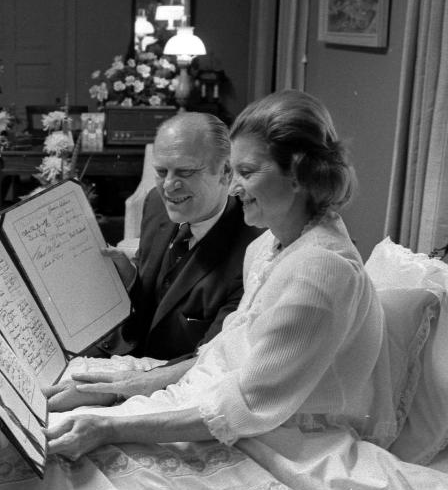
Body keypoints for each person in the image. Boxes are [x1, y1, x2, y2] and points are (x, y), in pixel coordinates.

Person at [46, 90, 397, 461]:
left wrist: (109, 426)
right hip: (215, 401)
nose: (232, 187)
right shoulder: (268, 247)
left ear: (298, 174)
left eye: (245, 173)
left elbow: (246, 407)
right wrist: (119, 388)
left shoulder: (321, 271)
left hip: (287, 441)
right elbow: (220, 356)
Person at [44, 112, 260, 410]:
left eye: (185, 172)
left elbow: (214, 360)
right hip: (114, 350)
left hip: (166, 380)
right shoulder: (156, 205)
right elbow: (154, 299)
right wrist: (130, 277)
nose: (169, 187)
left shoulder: (254, 249)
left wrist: (111, 391)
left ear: (225, 172)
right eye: (161, 172)